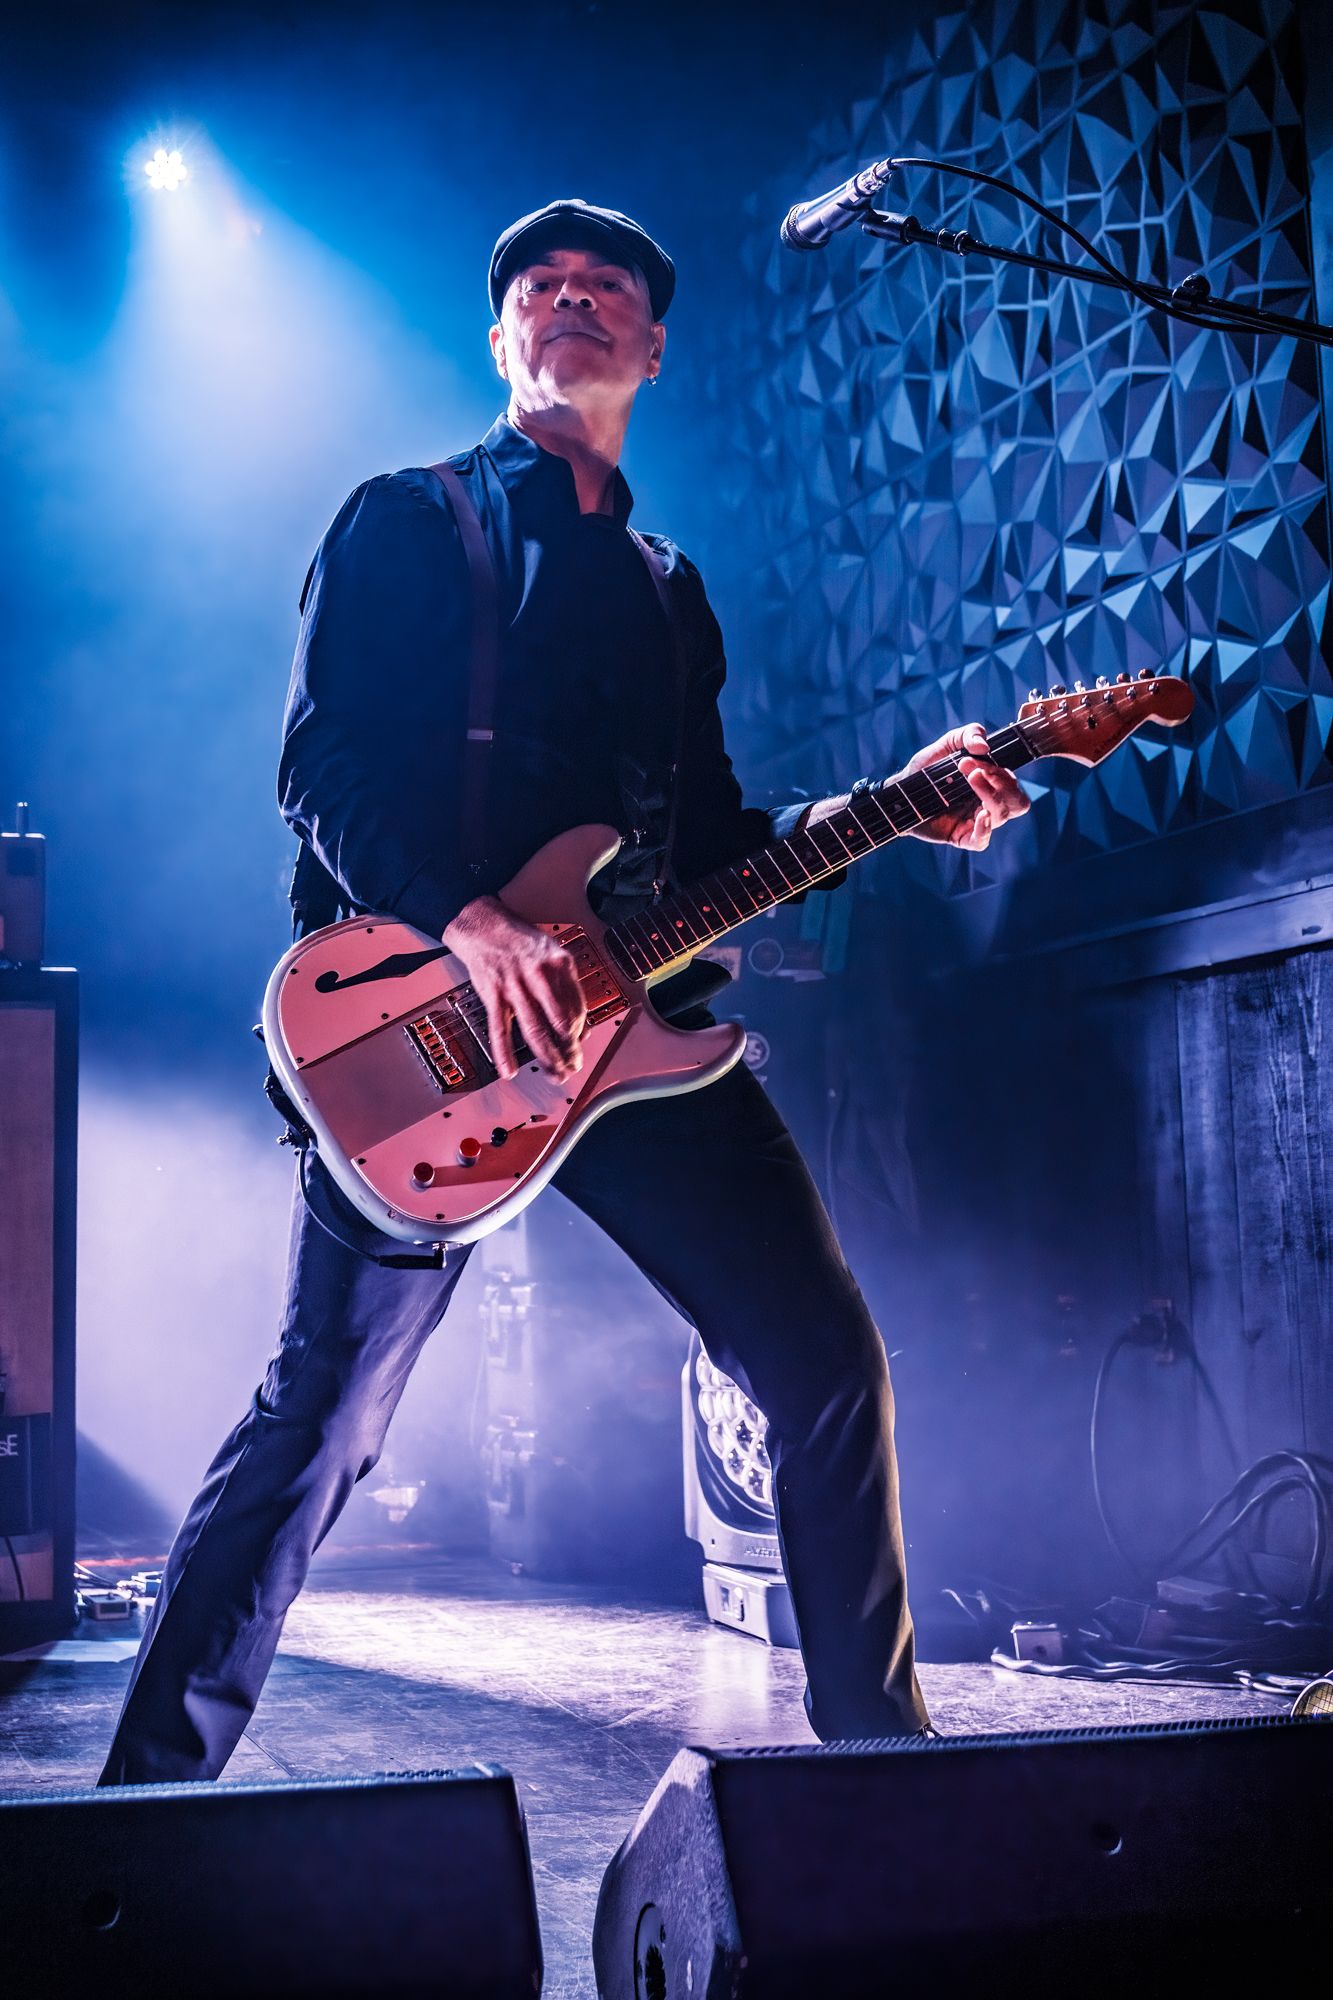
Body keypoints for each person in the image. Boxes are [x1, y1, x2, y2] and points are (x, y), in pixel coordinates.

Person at [100, 199, 1028, 1785]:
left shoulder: (668, 589)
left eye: (606, 286)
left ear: (652, 349)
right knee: (324, 1422)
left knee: (820, 1366)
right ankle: (141, 1809)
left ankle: (878, 1785)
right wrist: (468, 924)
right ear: (500, 339)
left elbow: (711, 843)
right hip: (426, 1035)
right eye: (541, 284)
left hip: (629, 1044)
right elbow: (318, 768)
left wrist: (895, 805)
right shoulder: (408, 521)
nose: (572, 297)